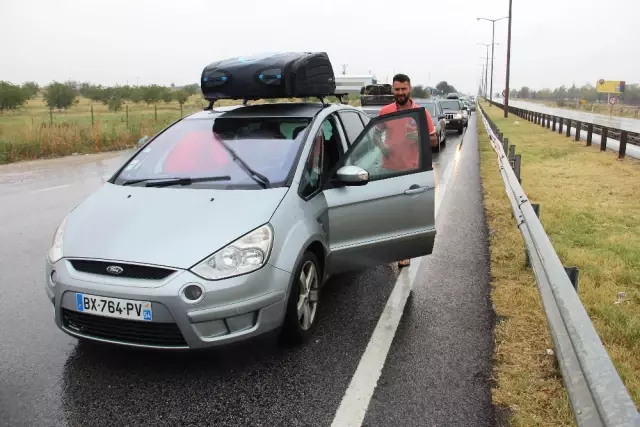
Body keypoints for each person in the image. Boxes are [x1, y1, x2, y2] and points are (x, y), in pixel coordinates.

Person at [376, 73, 438, 268]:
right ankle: (389, 249)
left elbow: (434, 140)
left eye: (403, 89)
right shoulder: (385, 111)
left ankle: (404, 253)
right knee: (389, 213)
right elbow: (375, 136)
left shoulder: (421, 112)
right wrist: (382, 147)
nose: (400, 92)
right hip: (389, 169)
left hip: (412, 170)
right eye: (397, 89)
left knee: (406, 215)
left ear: (409, 89)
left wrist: (419, 139)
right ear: (392, 90)